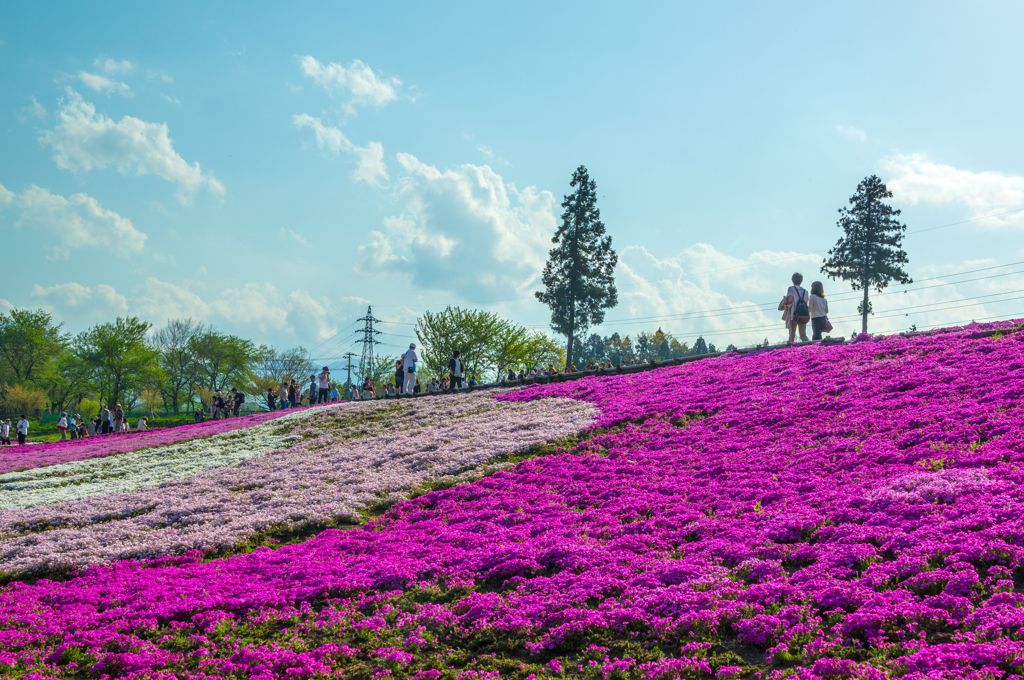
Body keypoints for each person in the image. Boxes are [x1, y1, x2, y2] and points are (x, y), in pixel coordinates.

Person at [780, 272, 810, 344]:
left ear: (792, 279)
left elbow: (789, 301)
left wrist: (783, 305)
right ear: (801, 280)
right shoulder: (805, 291)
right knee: (803, 335)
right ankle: (809, 346)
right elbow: (806, 302)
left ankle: (790, 350)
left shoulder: (791, 289)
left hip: (793, 314)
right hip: (803, 314)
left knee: (792, 334)